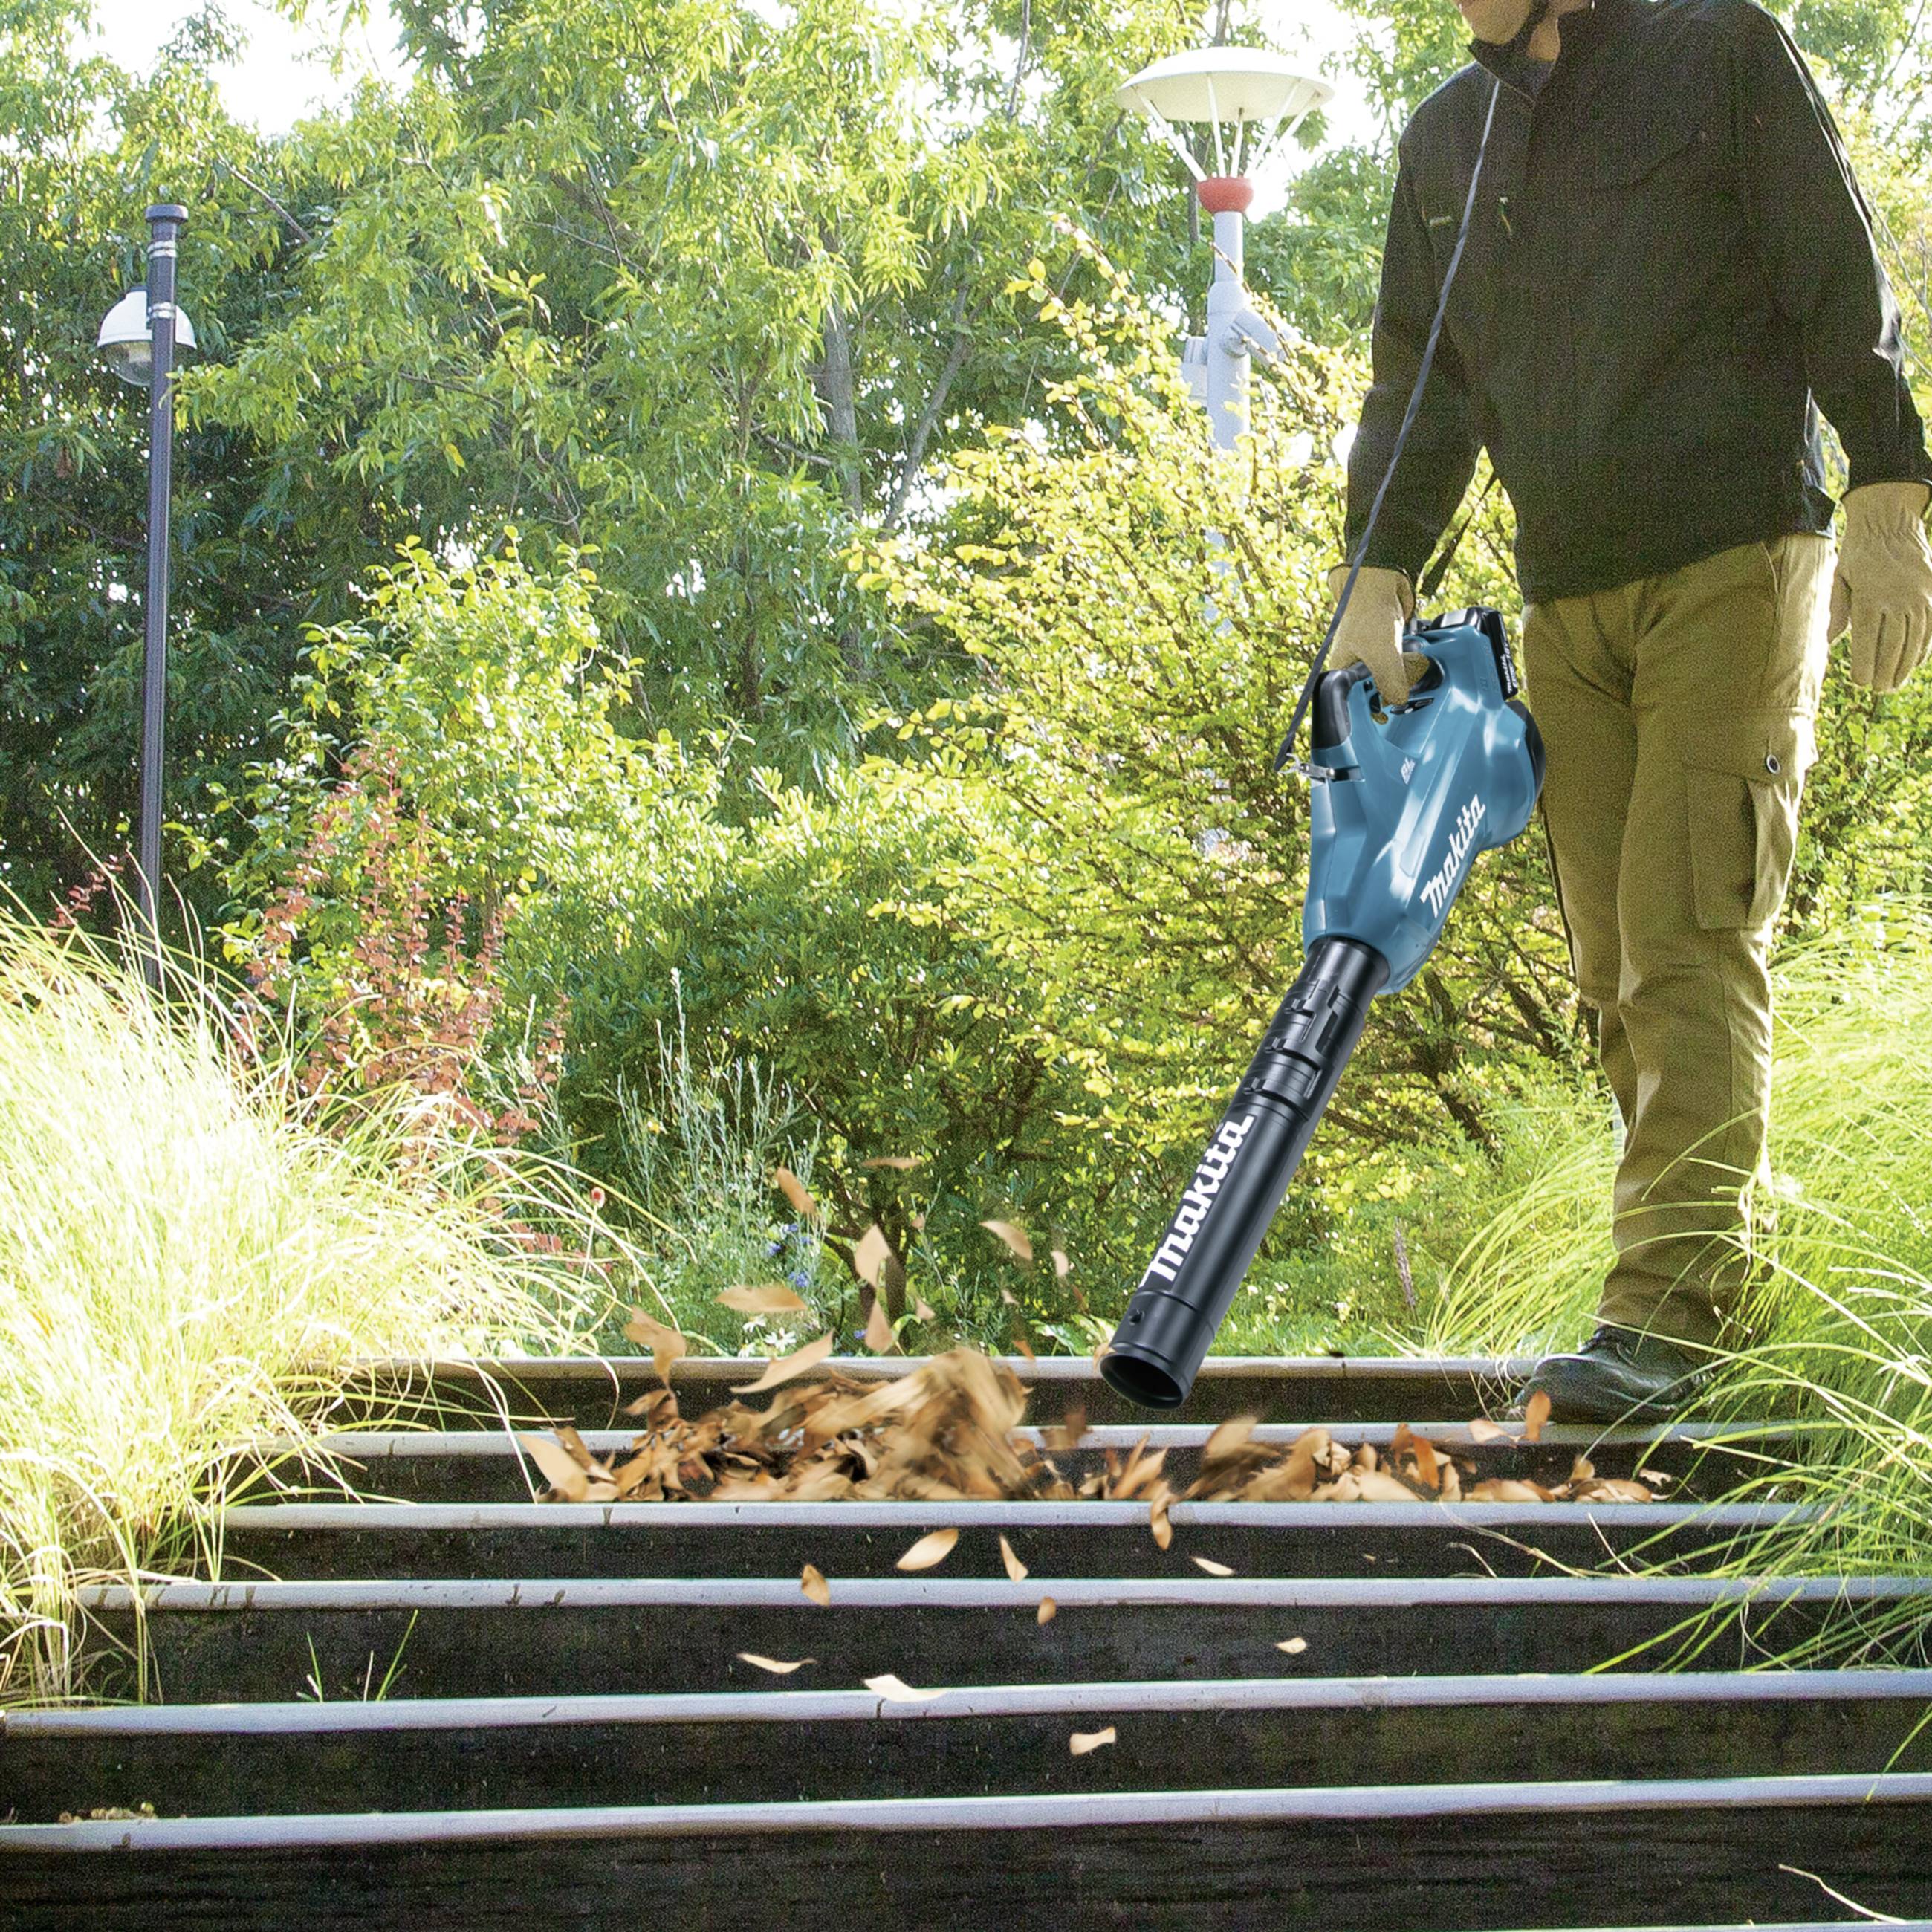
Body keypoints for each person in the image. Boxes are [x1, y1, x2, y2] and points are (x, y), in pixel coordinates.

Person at [1330, 0, 1932, 1419]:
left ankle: (1668, 1324)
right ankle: (1713, 1294)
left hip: (1735, 559)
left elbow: (1836, 268)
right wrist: (1375, 573)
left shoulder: (1716, 49)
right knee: (1613, 970)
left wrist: (1891, 484)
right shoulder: (1446, 142)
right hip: (1566, 597)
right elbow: (1422, 385)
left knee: (1688, 933)